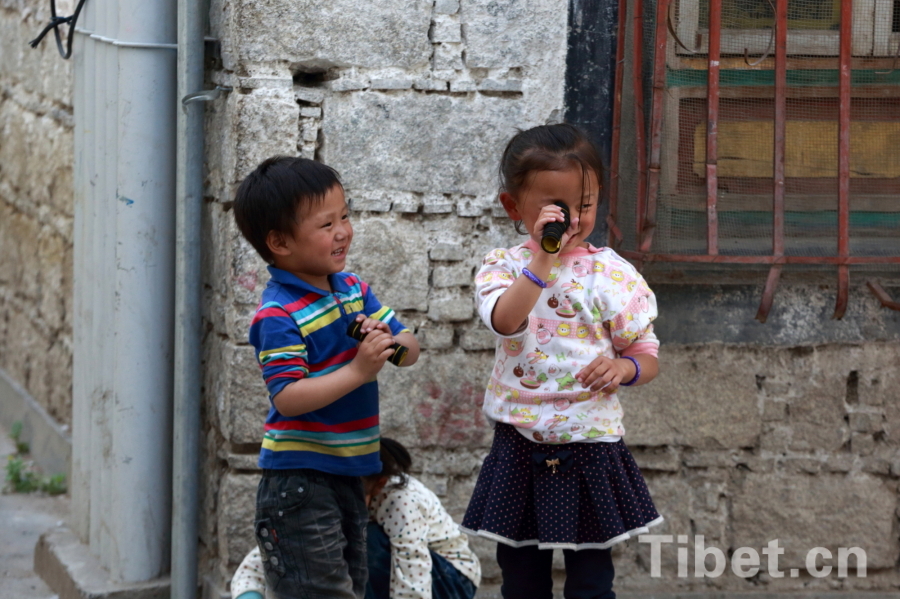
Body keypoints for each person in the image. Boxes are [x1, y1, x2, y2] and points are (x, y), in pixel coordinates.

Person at [460, 123, 663, 599]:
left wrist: (624, 369)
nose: (572, 219)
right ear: (514, 207)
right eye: (557, 208)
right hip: (520, 443)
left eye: (585, 205)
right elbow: (506, 320)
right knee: (521, 577)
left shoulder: (613, 274)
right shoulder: (503, 268)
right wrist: (542, 259)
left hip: (590, 444)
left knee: (592, 581)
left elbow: (645, 356)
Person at [233, 156, 420, 599]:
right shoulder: (278, 314)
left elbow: (408, 351)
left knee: (348, 589)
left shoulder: (351, 287)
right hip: (300, 481)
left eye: (345, 216)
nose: (342, 231)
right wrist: (358, 369)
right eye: (326, 224)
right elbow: (288, 397)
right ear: (279, 241)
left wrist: (388, 344)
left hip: (349, 474)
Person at [231, 438, 481, 599]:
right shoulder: (320, 499)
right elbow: (268, 558)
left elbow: (413, 574)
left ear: (379, 484)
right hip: (390, 578)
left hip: (450, 580)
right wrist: (249, 594)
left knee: (362, 542)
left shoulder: (402, 500)